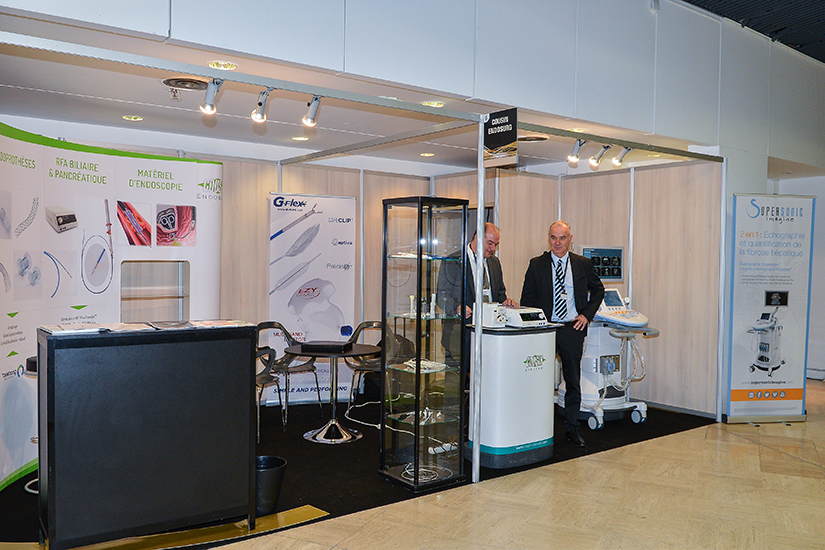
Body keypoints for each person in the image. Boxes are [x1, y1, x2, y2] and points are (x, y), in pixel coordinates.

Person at [520, 220, 604, 447]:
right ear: (549, 238)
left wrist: (586, 315)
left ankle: (572, 429)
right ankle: (536, 427)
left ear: (570, 239)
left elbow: (598, 290)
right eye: (553, 237)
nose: (557, 243)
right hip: (545, 330)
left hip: (571, 329)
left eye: (562, 238)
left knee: (573, 381)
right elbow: (527, 299)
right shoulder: (536, 264)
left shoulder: (582, 264)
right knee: (538, 380)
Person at [437, 222, 517, 362]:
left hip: (490, 336)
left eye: (496, 244)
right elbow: (442, 296)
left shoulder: (495, 263)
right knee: (459, 375)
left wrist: (506, 302)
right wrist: (457, 308)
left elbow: (500, 295)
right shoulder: (453, 261)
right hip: (460, 334)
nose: (493, 248)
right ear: (477, 237)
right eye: (490, 243)